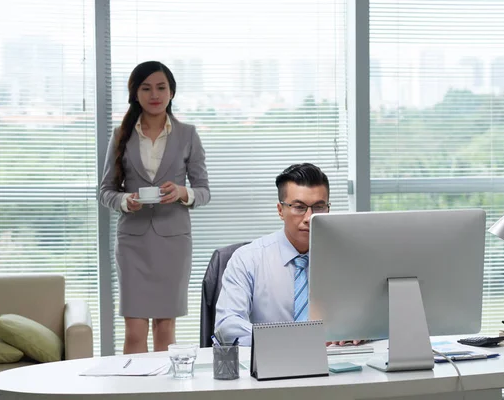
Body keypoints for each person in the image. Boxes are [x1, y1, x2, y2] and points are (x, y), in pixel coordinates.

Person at [100, 61, 210, 354]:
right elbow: (106, 191)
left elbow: (204, 191)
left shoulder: (187, 134)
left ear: (172, 92)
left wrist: (182, 192)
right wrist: (126, 201)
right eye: (146, 88)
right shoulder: (120, 134)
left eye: (161, 87)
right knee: (135, 330)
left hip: (172, 243)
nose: (154, 94)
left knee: (165, 328)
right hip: (133, 243)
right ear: (135, 93)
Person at [215, 163, 346, 346]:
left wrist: (361, 332)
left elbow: (375, 316)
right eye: (299, 207)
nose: (309, 217)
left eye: (318, 207)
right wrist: (289, 340)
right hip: (270, 362)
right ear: (280, 211)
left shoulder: (346, 259)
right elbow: (227, 326)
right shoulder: (248, 259)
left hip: (337, 364)